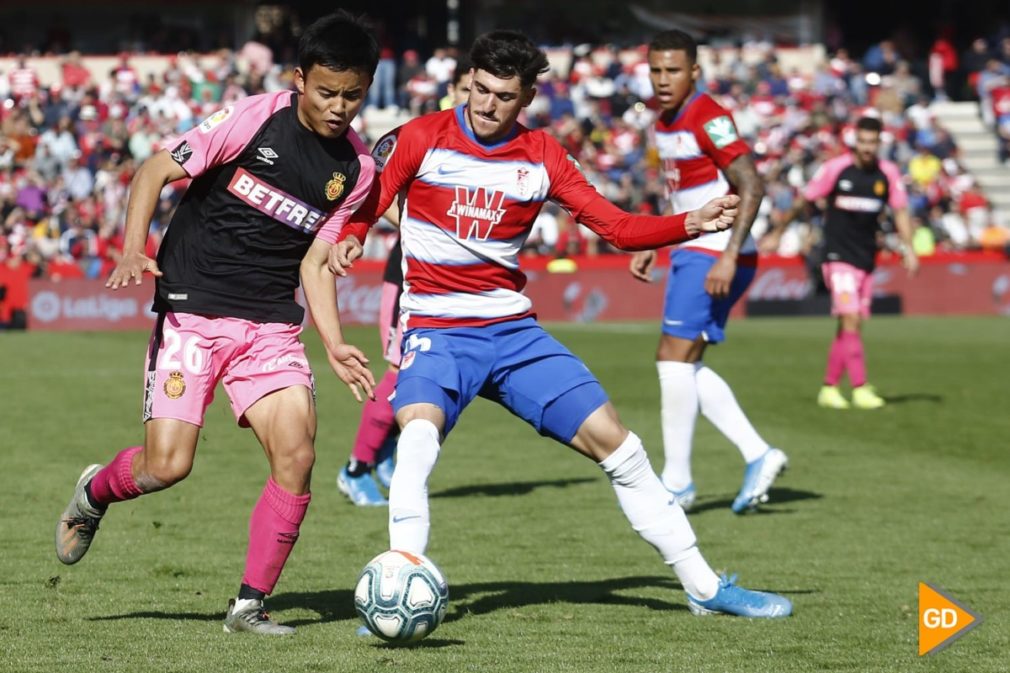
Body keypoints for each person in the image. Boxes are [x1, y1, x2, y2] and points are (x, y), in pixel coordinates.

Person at [332, 30, 791, 618]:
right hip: (438, 329)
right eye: (480, 89)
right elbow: (368, 206)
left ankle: (705, 587)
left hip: (513, 334)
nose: (486, 104)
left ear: (525, 100)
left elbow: (618, 228)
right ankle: (395, 597)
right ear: (468, 81)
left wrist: (691, 222)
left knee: (621, 448)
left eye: (503, 96)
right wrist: (349, 239)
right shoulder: (421, 138)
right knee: (417, 439)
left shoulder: (543, 155)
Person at [54, 12, 380, 636]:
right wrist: (132, 246)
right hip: (193, 310)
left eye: (353, 95)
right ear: (300, 79)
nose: (340, 107)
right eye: (327, 91)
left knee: (298, 454)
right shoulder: (254, 117)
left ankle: (249, 605)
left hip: (270, 328)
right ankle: (95, 492)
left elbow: (316, 261)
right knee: (167, 467)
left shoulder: (358, 171)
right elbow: (154, 169)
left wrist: (335, 343)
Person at [628, 30, 787, 515]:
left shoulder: (709, 116)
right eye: (656, 70)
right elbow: (679, 188)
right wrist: (657, 238)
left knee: (671, 359)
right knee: (684, 364)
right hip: (691, 249)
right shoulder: (664, 120)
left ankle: (678, 483)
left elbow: (752, 184)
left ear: (694, 72)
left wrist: (729, 254)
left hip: (714, 252)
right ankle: (758, 455)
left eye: (673, 70)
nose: (662, 79)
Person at [337, 66, 474, 507]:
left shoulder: (485, 147)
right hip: (410, 272)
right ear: (450, 91)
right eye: (470, 90)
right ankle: (355, 467)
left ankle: (384, 457)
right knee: (400, 371)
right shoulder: (415, 136)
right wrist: (428, 228)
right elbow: (375, 195)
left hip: (456, 278)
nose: (482, 102)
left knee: (433, 378)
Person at [764, 116, 918, 410]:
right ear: (854, 141)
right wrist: (779, 231)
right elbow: (805, 200)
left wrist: (909, 249)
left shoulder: (887, 173)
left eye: (872, 142)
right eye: (862, 141)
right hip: (837, 257)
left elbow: (900, 211)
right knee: (851, 320)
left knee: (850, 326)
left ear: (879, 143)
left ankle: (829, 387)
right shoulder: (837, 169)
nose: (867, 148)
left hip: (865, 259)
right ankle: (860, 387)